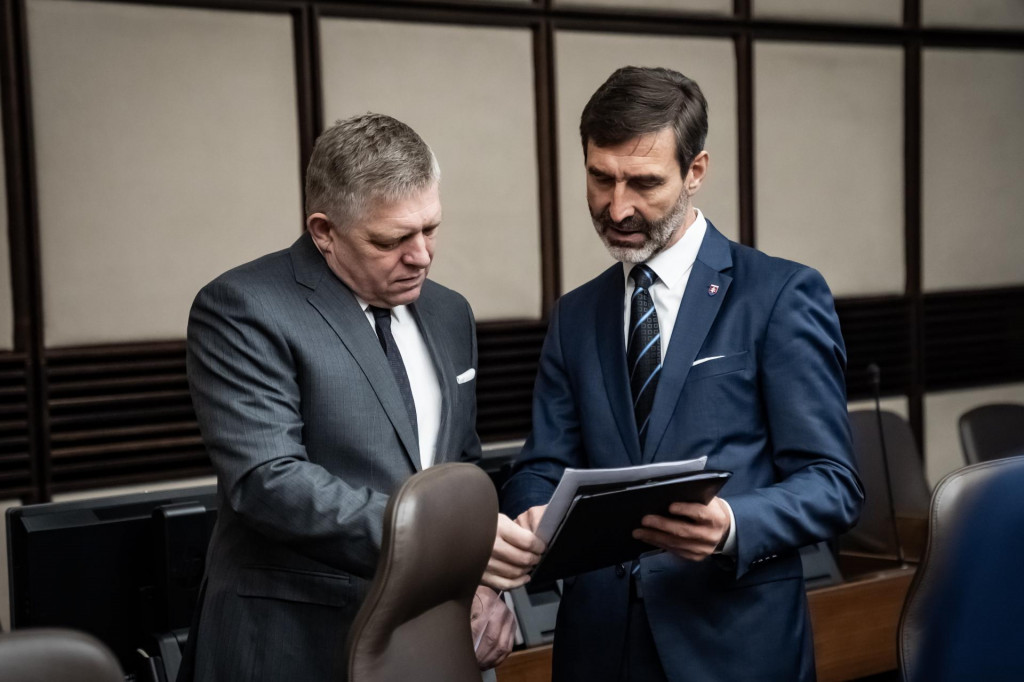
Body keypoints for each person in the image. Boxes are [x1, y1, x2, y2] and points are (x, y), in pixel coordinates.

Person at [501, 67, 864, 681]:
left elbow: (833, 483)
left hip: (733, 644)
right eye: (600, 179)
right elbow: (541, 464)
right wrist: (534, 510)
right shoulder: (574, 315)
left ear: (695, 171)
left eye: (644, 183)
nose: (618, 208)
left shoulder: (779, 295)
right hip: (599, 648)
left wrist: (731, 525)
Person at [178, 113, 540, 682]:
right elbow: (267, 481)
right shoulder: (243, 307)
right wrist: (444, 546)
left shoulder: (450, 313)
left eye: (431, 228)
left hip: (431, 640)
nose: (421, 255)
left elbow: (459, 469)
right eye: (391, 240)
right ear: (324, 231)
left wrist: (480, 586)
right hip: (295, 642)